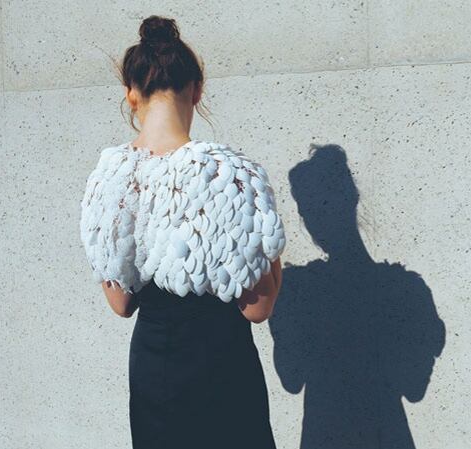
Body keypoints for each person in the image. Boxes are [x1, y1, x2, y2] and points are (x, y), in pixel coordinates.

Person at [79, 15, 286, 449]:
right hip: (224, 368)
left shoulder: (111, 180)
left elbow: (121, 303)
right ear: (197, 90)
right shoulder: (231, 175)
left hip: (155, 370)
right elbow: (258, 307)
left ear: (131, 93)